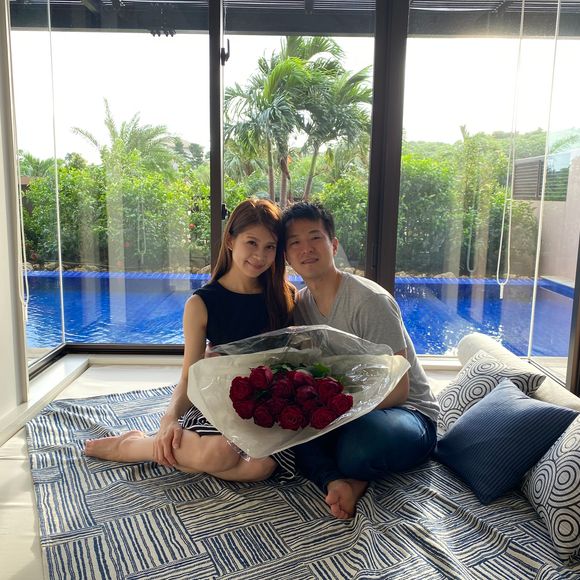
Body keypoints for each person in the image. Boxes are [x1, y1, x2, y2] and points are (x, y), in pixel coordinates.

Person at [85, 199, 296, 482]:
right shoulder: (201, 303)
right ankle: (133, 447)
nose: (260, 255)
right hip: (218, 398)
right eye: (251, 243)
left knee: (260, 468)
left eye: (269, 247)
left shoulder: (285, 296)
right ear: (230, 240)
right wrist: (170, 418)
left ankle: (159, 448)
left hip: (265, 404)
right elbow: (189, 375)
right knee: (221, 454)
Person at [282, 202, 439, 519]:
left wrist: (335, 415)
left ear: (333, 245)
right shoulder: (300, 304)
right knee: (286, 425)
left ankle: (343, 470)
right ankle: (338, 481)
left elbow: (399, 390)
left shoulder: (369, 300)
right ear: (286, 255)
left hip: (405, 414)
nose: (306, 249)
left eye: (315, 237)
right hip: (348, 411)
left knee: (359, 447)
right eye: (295, 242)